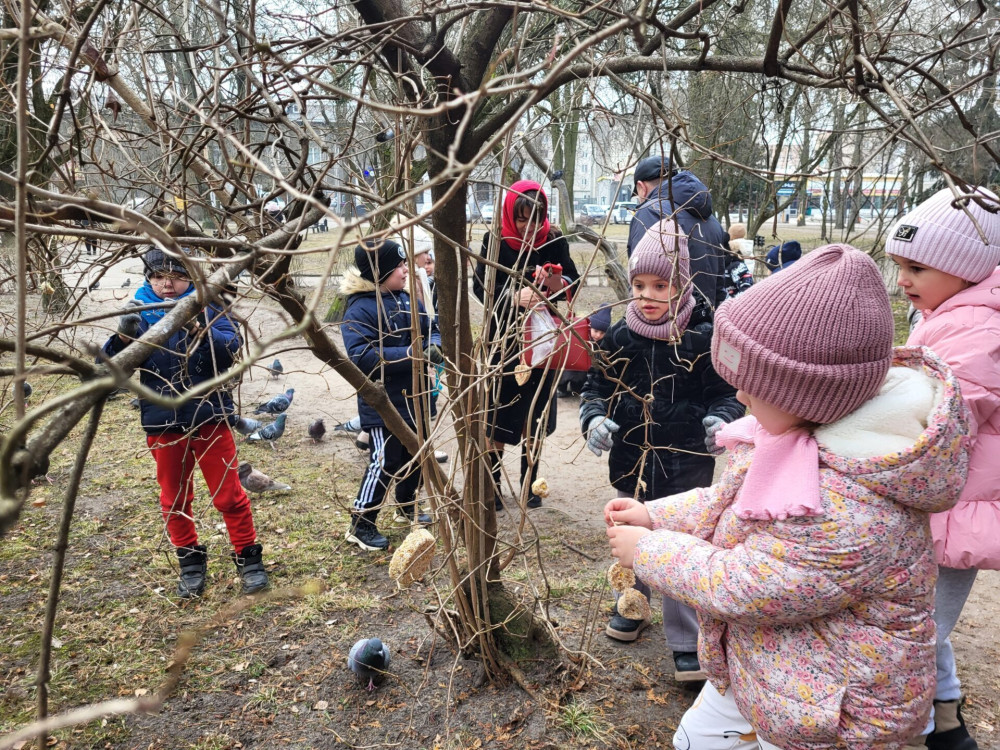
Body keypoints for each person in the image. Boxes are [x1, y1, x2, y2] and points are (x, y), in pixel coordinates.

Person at [604, 243, 971, 749]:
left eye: (753, 389)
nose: (739, 398)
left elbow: (748, 585)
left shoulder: (851, 506)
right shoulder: (790, 435)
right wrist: (653, 514)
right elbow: (729, 499)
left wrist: (648, 550)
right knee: (695, 739)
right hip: (771, 664)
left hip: (832, 708)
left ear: (808, 396)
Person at [580, 220, 742, 678]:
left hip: (686, 465)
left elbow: (727, 394)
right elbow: (595, 388)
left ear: (683, 285)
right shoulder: (620, 338)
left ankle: (687, 637)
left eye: (660, 285)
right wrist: (594, 419)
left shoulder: (703, 339)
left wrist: (722, 420)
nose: (647, 296)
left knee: (679, 546)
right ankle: (631, 604)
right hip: (632, 462)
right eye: (638, 286)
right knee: (629, 535)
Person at [886, 186, 1000, 750]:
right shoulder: (948, 313)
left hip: (956, 507)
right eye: (900, 265)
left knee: (917, 631)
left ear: (965, 267)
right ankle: (947, 722)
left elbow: (944, 415)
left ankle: (916, 731)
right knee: (919, 618)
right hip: (940, 501)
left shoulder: (977, 328)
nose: (902, 280)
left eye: (916, 268)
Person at [102, 248, 268, 598]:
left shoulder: (209, 305)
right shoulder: (139, 311)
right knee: (174, 498)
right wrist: (122, 339)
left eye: (176, 276)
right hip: (163, 425)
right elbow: (110, 374)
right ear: (148, 278)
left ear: (190, 278)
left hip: (209, 418)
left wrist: (196, 327)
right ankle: (191, 564)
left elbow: (230, 349)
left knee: (229, 495)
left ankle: (249, 559)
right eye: (157, 276)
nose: (166, 284)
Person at [473, 180, 580, 510]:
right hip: (505, 341)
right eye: (523, 220)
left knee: (535, 415)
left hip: (544, 341)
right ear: (511, 215)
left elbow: (572, 283)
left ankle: (529, 484)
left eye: (537, 219)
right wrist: (512, 297)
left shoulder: (554, 239)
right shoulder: (495, 241)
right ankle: (492, 486)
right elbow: (480, 287)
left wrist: (554, 282)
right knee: (498, 414)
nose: (530, 227)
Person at [341, 238, 443, 551]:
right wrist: (413, 354)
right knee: (385, 459)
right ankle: (361, 522)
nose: (406, 270)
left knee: (416, 454)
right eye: (398, 266)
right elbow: (362, 356)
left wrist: (434, 345)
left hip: (416, 397)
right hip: (383, 401)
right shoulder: (360, 309)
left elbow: (432, 328)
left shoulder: (407, 299)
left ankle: (405, 506)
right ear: (379, 272)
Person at [627, 156, 729, 309]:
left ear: (641, 187)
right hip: (705, 317)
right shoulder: (711, 220)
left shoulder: (650, 212)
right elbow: (720, 284)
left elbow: (640, 274)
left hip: (666, 318)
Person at [556, 303, 613, 398]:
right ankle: (562, 388)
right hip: (573, 361)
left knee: (582, 379)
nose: (598, 335)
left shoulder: (603, 342)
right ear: (590, 327)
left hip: (585, 367)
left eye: (602, 333)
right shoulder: (582, 334)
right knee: (565, 373)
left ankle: (577, 388)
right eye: (596, 331)